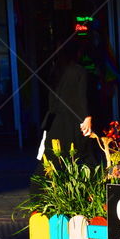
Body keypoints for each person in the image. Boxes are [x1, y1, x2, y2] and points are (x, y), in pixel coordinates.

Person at [40, 37, 97, 166]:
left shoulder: (55, 70)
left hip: (56, 121)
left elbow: (50, 98)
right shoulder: (80, 71)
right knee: (82, 157)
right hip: (75, 120)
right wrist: (87, 116)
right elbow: (82, 96)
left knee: (53, 160)